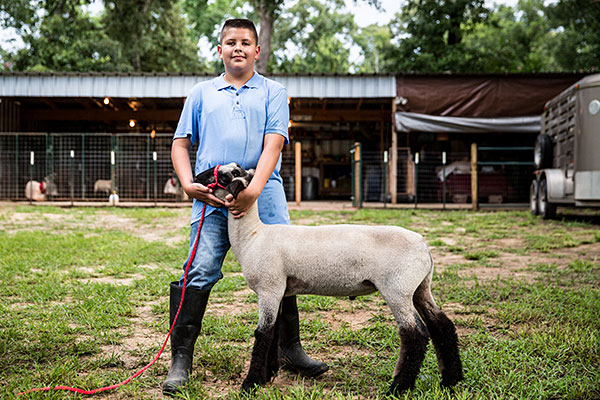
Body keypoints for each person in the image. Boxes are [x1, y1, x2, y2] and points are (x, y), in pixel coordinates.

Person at [163, 18, 328, 395]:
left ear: (257, 50)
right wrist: (190, 184)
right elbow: (180, 143)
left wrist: (253, 189)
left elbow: (275, 142)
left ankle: (290, 348)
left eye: (245, 42)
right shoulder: (202, 93)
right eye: (230, 42)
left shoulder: (272, 91)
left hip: (264, 193)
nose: (238, 48)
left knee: (286, 269)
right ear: (219, 50)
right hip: (213, 196)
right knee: (200, 268)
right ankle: (180, 359)